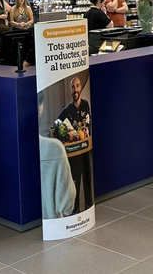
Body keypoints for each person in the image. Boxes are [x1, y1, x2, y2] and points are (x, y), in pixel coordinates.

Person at [55, 76, 93, 213]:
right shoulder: (66, 111)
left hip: (86, 150)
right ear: (70, 90)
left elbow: (88, 124)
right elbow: (55, 127)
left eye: (77, 86)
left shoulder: (85, 105)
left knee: (88, 180)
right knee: (75, 183)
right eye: (72, 87)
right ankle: (75, 210)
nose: (75, 89)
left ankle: (89, 207)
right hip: (74, 154)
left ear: (80, 88)